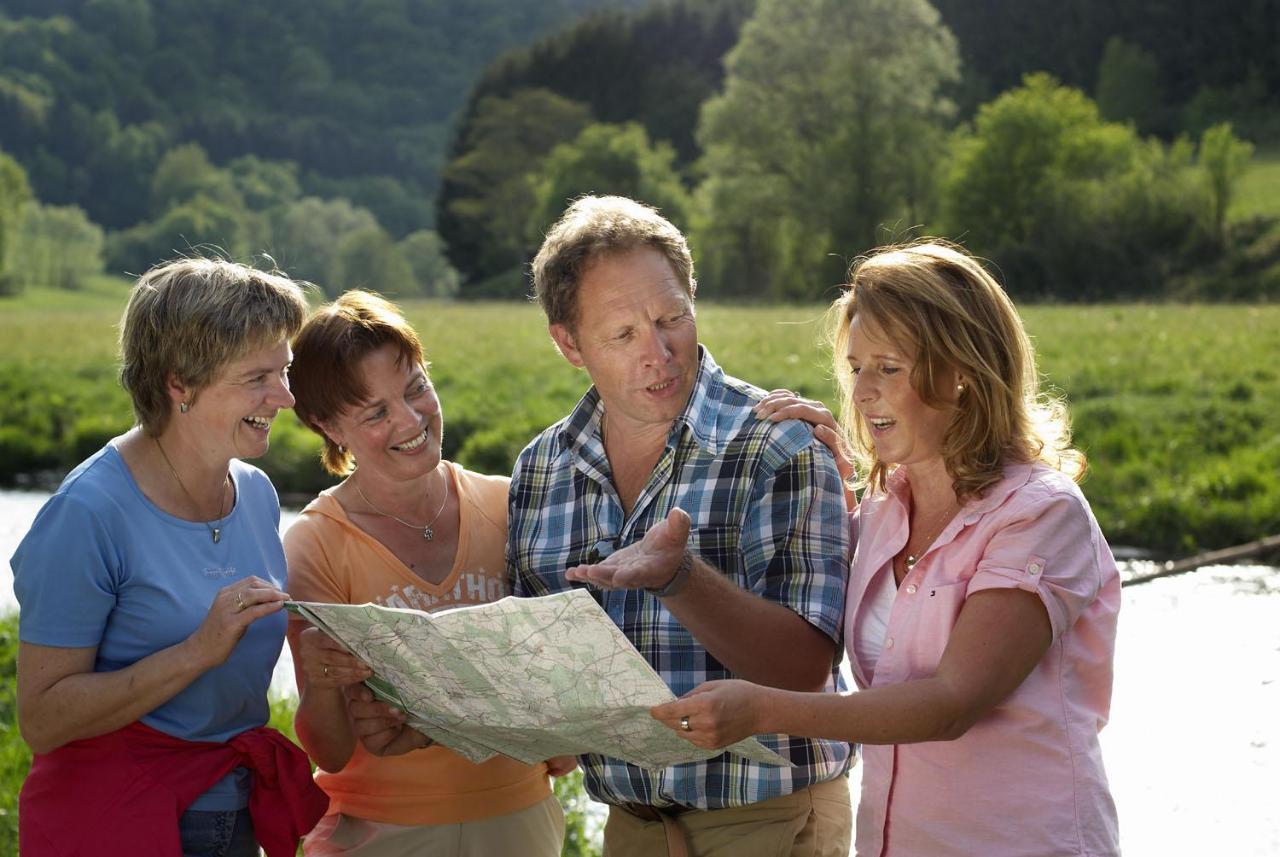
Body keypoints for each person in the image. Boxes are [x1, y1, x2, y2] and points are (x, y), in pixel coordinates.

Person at [652, 241, 1122, 856]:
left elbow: (950, 704)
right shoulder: (878, 511)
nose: (863, 391)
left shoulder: (1041, 512)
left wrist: (764, 710)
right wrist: (824, 474)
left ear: (963, 373)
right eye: (855, 368)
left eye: (888, 368)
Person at [506, 195, 853, 857]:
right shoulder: (541, 469)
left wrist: (680, 578)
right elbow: (539, 662)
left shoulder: (780, 447)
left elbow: (805, 667)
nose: (659, 352)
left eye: (672, 317)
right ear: (568, 343)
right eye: (623, 334)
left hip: (771, 821)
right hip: (628, 827)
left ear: (694, 295)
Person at [11, 257, 326, 857]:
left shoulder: (257, 495)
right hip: (113, 819)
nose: (284, 397)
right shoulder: (87, 513)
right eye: (259, 377)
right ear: (179, 383)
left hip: (233, 813)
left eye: (283, 372)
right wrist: (194, 654)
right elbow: (43, 719)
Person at [283, 289, 573, 857]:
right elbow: (331, 752)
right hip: (377, 832)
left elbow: (563, 744)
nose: (411, 420)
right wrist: (323, 681)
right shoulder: (314, 542)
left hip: (518, 822)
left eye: (416, 388)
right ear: (325, 425)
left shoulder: (511, 507)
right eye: (376, 412)